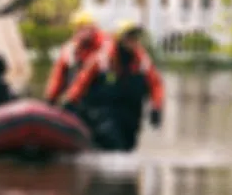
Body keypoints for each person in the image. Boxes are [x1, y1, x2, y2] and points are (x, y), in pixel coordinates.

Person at [60, 20, 164, 151]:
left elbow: (156, 84)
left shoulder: (142, 61)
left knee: (127, 149)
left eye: (135, 38)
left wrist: (157, 107)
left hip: (131, 116)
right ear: (120, 39)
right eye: (130, 37)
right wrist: (70, 101)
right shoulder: (102, 59)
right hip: (103, 114)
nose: (133, 41)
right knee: (113, 144)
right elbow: (82, 81)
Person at [44, 9, 108, 105]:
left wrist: (71, 98)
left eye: (86, 28)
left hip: (98, 98)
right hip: (79, 99)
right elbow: (58, 73)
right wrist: (51, 97)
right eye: (79, 28)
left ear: (93, 28)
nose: (82, 32)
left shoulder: (104, 45)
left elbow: (88, 72)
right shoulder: (71, 47)